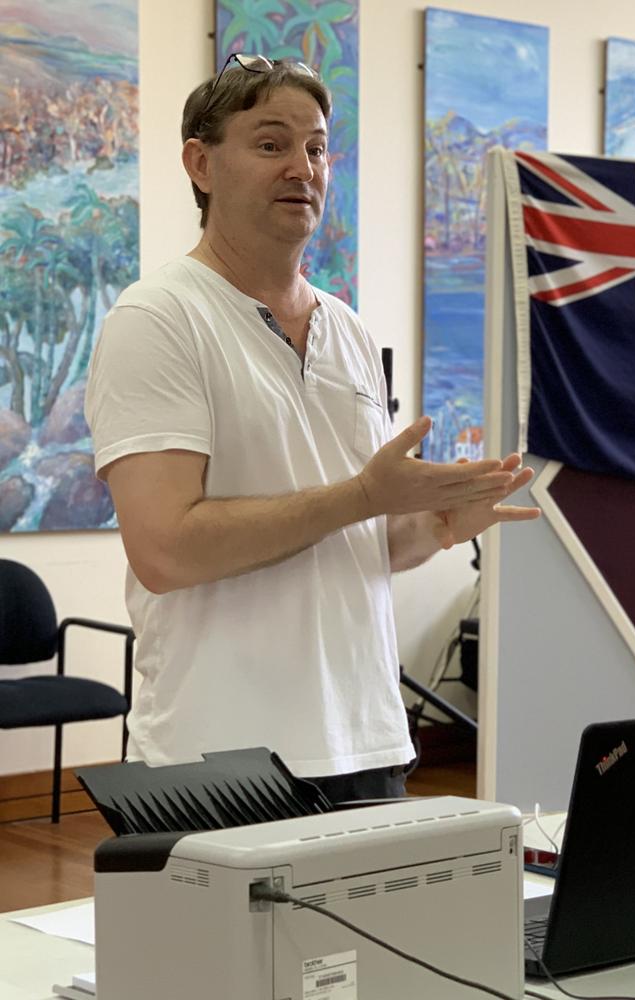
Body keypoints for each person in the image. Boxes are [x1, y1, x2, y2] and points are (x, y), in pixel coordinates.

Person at [85, 56, 540, 804]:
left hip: (367, 740)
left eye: (318, 148)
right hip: (220, 754)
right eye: (271, 144)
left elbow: (371, 543)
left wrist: (440, 523)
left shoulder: (351, 331)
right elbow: (164, 549)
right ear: (200, 163)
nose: (303, 167)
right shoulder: (157, 319)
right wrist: (363, 495)